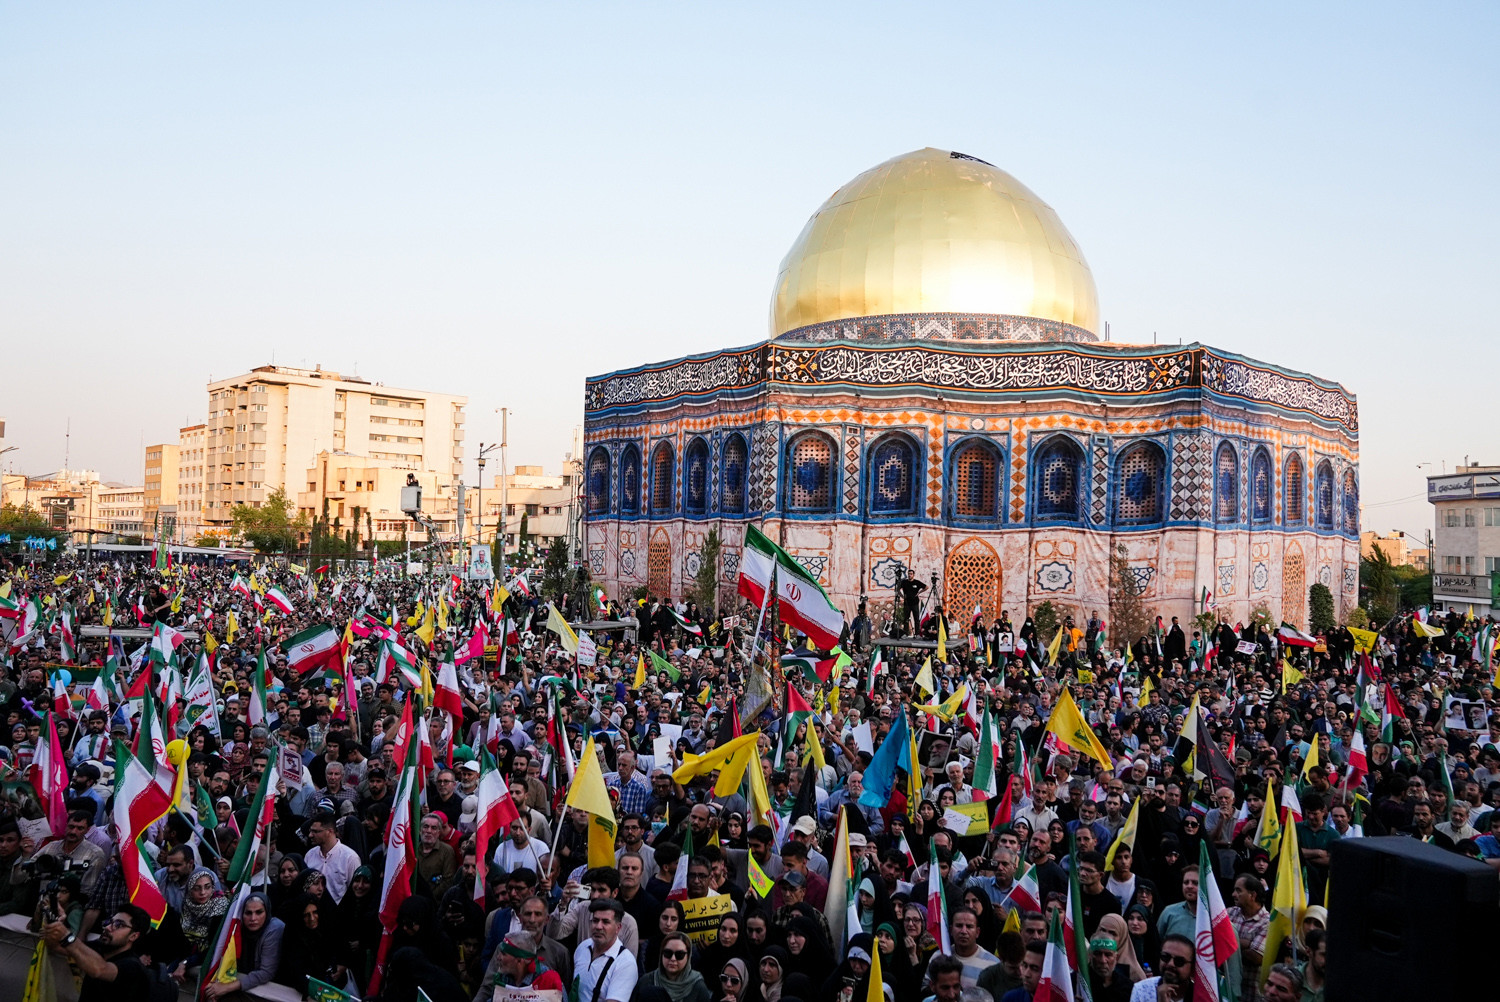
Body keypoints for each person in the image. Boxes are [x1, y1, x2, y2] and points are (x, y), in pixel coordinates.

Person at [41, 902, 153, 1001]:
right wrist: (53, 921)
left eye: (118, 925)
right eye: (110, 921)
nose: (108, 927)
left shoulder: (133, 965)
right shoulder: (99, 946)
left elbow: (99, 969)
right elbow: (56, 947)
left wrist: (67, 936)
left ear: (133, 936)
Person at [203, 892, 283, 997]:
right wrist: (186, 963)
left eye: (259, 912)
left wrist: (226, 987)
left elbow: (266, 972)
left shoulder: (274, 928)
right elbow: (217, 953)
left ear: (267, 912)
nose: (253, 918)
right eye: (248, 913)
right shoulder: (237, 926)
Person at [571, 897, 638, 1002]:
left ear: (618, 928)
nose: (598, 926)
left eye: (605, 922)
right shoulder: (583, 947)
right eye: (595, 921)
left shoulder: (625, 963)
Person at [636, 930, 712, 1002]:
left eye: (679, 955)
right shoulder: (646, 981)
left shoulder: (697, 986)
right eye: (668, 953)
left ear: (688, 956)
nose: (673, 959)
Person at [1129, 933, 1195, 1001]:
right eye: (1165, 957)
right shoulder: (1142, 990)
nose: (1170, 964)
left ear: (1192, 967)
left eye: (1179, 961)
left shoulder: (1200, 994)